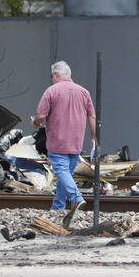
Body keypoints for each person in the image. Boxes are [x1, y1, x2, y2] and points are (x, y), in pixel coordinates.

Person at [31, 60, 96, 228]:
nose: (51, 79)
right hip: (76, 141)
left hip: (58, 141)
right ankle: (58, 207)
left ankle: (77, 198)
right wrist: (94, 137)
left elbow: (40, 116)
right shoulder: (84, 92)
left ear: (56, 74)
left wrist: (35, 124)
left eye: (52, 76)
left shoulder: (51, 91)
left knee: (61, 171)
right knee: (65, 174)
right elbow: (92, 117)